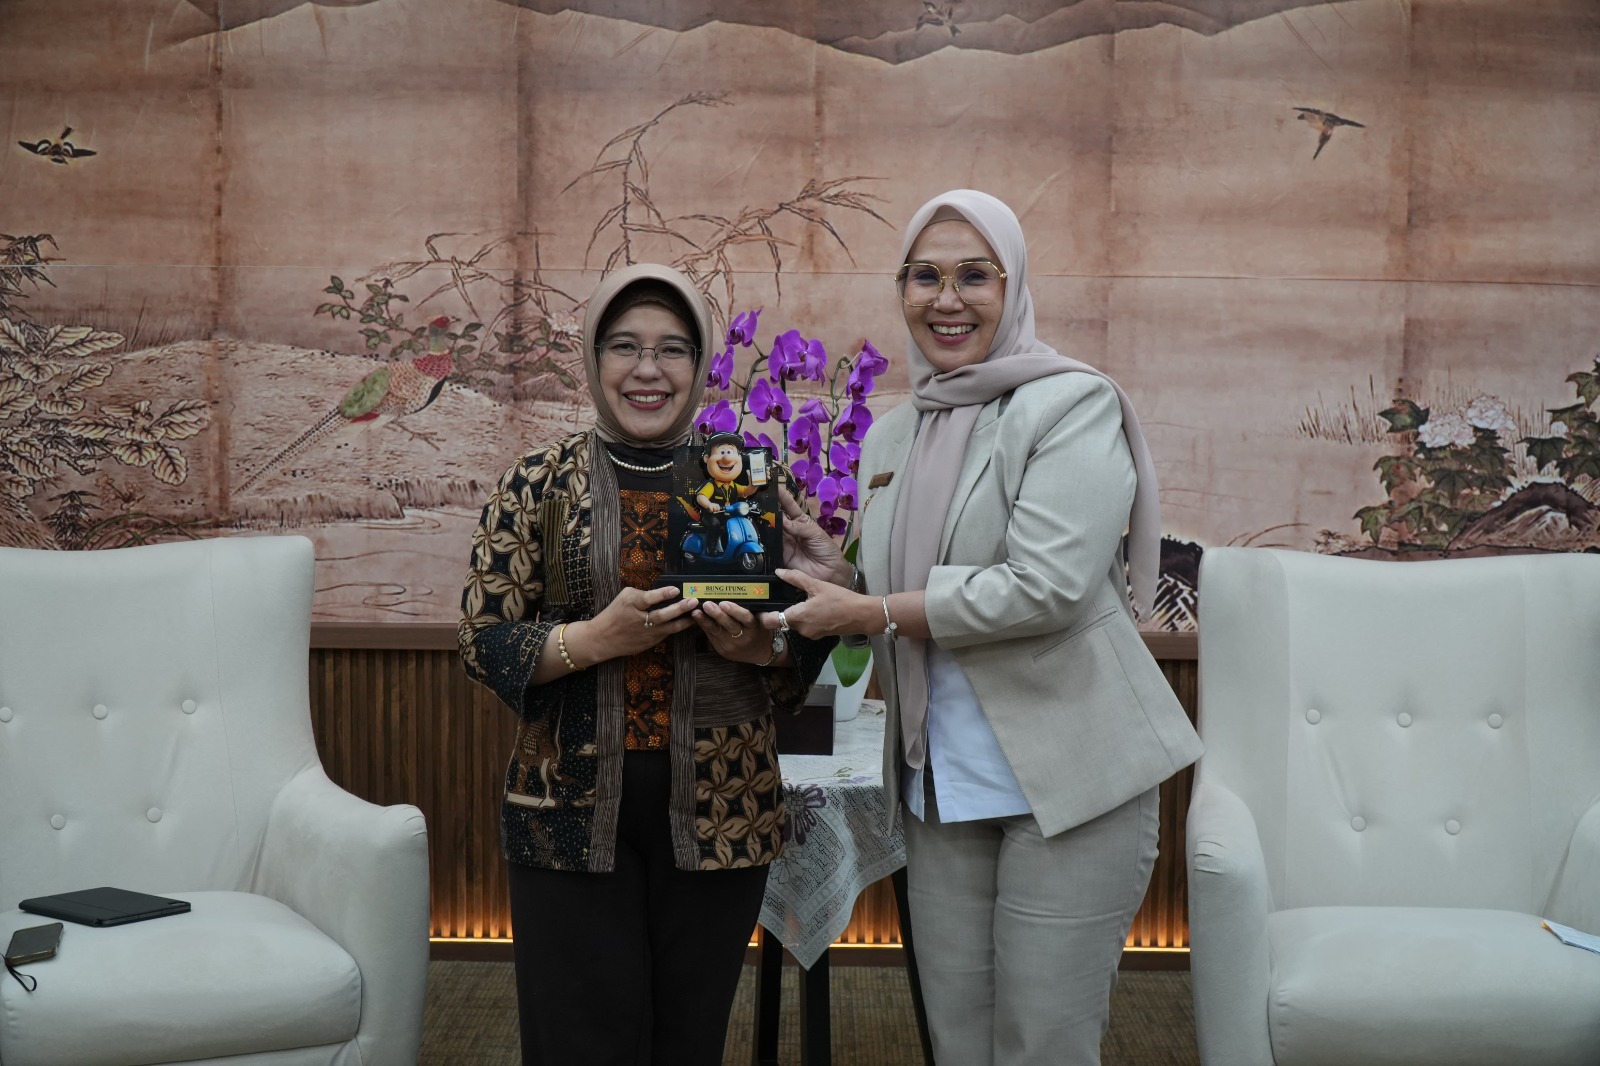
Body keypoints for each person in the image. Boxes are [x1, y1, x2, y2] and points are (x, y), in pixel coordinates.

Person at [765, 190, 1204, 1066]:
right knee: (958, 1044)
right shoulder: (891, 437)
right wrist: (842, 578)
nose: (947, 299)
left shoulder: (1069, 406)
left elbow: (1045, 587)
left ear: (1014, 285)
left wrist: (873, 609)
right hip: (942, 788)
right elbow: (902, 597)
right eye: (923, 276)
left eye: (974, 275)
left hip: (1069, 786)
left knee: (1042, 1046)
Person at [457, 263, 835, 1066]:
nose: (647, 369)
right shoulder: (539, 481)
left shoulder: (744, 480)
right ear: (594, 359)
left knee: (689, 1042)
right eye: (624, 346)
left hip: (722, 809)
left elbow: (803, 644)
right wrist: (594, 639)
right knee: (577, 1043)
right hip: (566, 808)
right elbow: (482, 640)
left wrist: (766, 642)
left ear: (699, 365)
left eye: (672, 349)